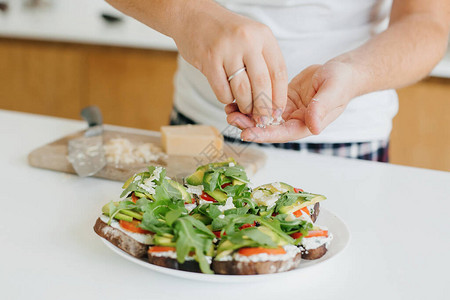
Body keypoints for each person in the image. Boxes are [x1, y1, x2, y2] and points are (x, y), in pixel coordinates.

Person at [106, 0, 450, 162]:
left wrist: (355, 72)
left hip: (348, 141)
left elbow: (427, 22)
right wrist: (187, 15)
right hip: (200, 128)